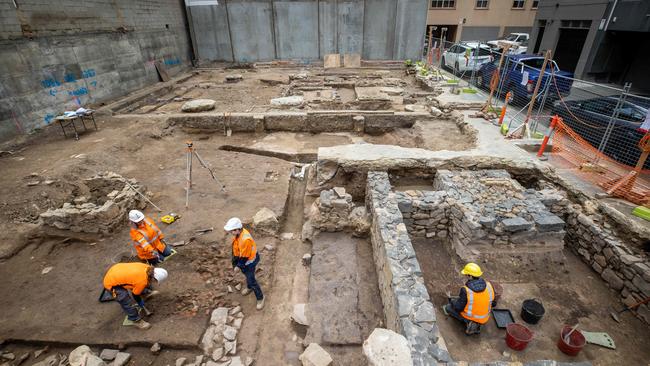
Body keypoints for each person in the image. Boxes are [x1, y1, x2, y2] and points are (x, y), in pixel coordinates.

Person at [102, 262, 168, 329]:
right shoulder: (142, 281)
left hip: (117, 270)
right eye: (156, 281)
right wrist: (140, 302)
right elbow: (135, 295)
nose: (155, 283)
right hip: (111, 283)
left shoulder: (147, 268)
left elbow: (138, 281)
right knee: (125, 299)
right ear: (154, 278)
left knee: (139, 284)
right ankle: (135, 320)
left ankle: (146, 293)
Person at [442, 262, 494, 335]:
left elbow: (458, 308)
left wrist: (452, 301)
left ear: (470, 276)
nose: (466, 276)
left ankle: (470, 323)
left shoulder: (466, 290)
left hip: (471, 316)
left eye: (466, 274)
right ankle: (476, 323)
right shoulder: (488, 285)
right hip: (485, 317)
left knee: (448, 308)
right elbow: (493, 303)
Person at [224, 217, 264, 310]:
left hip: (249, 262)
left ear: (237, 229)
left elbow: (245, 257)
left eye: (232, 231)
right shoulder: (239, 233)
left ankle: (260, 298)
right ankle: (249, 287)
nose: (231, 233)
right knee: (247, 275)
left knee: (251, 279)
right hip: (244, 260)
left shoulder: (245, 239)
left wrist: (238, 266)